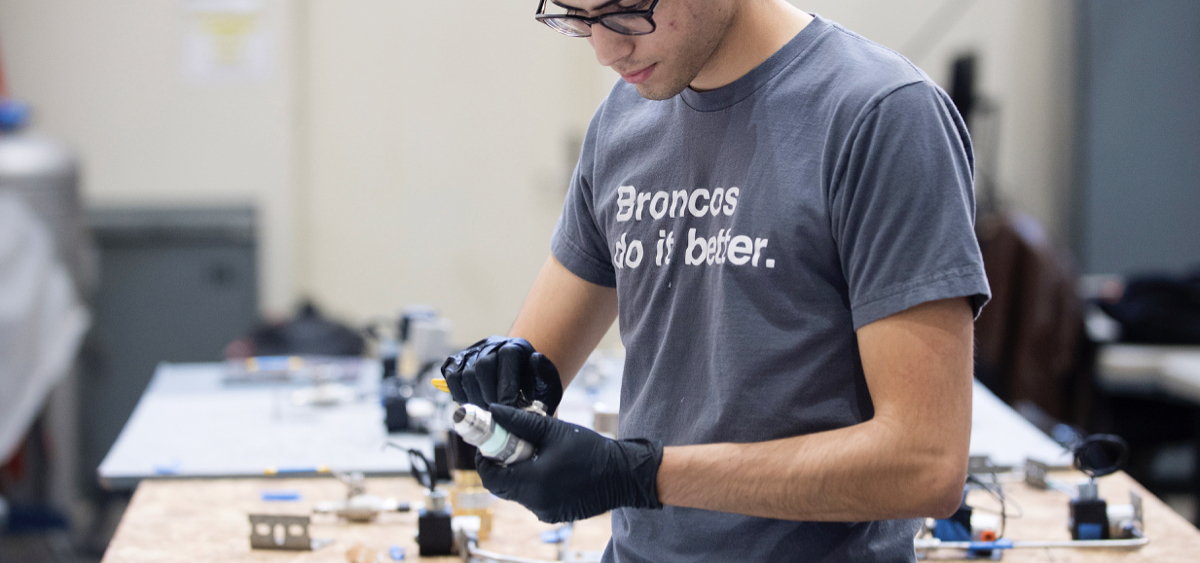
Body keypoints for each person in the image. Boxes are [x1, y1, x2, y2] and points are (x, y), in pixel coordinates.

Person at [442, 0, 991, 560]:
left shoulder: (880, 116)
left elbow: (924, 464)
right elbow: (537, 359)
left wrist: (641, 475)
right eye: (577, 15)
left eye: (625, 9)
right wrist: (502, 378)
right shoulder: (624, 117)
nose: (605, 50)